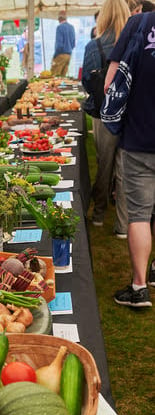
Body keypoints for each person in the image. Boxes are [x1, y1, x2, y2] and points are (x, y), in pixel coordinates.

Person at [103, 11, 155, 307]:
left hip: (140, 137)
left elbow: (112, 81)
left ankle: (139, 287)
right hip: (141, 138)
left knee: (139, 214)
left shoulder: (139, 23)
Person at [81, 0, 130, 237]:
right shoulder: (135, 43)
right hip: (131, 114)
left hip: (103, 113)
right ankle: (122, 224)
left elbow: (87, 84)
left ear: (103, 16)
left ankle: (99, 215)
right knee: (124, 169)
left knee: (104, 165)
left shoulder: (94, 45)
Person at [50, 10, 76, 76]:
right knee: (63, 76)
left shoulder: (59, 27)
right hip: (69, 55)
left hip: (60, 54)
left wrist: (55, 55)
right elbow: (73, 44)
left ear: (59, 18)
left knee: (54, 75)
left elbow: (59, 44)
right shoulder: (71, 27)